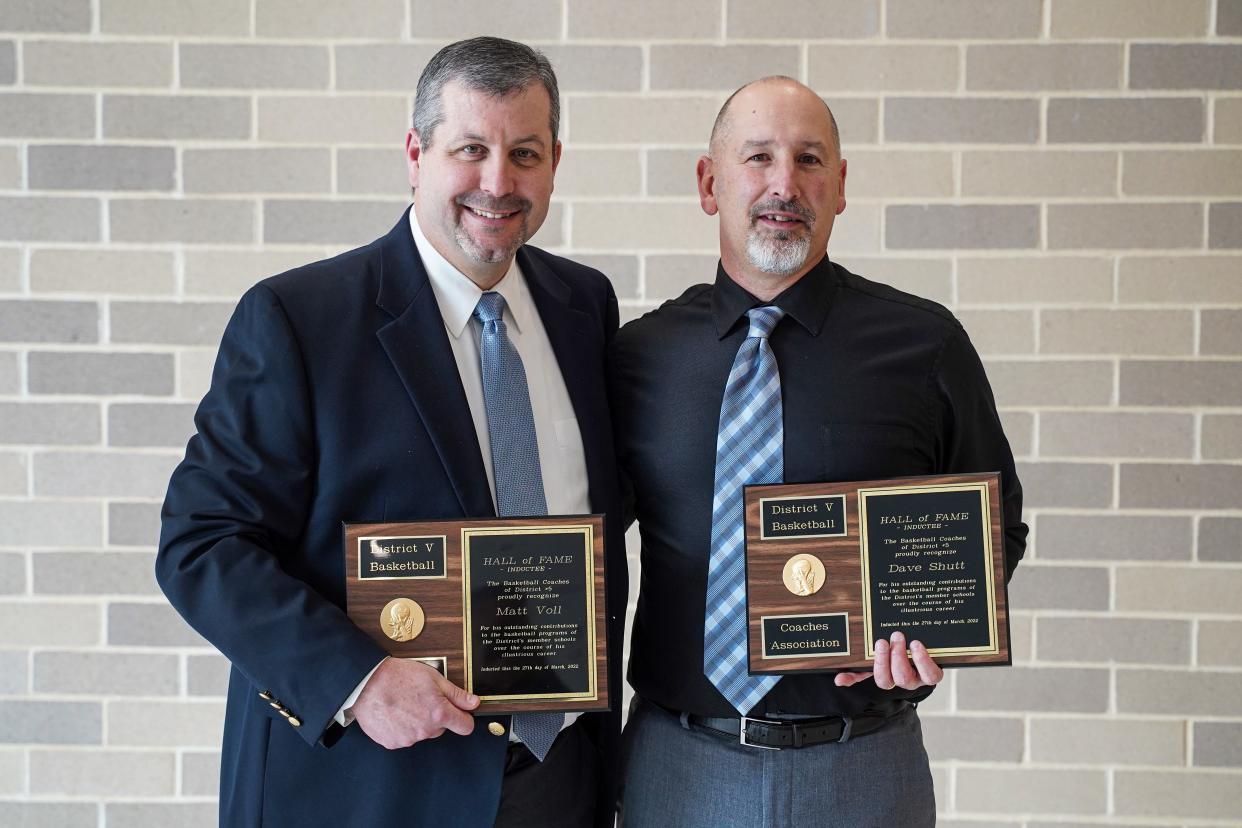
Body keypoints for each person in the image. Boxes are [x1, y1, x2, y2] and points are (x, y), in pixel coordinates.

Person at [157, 37, 626, 828]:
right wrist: (360, 679)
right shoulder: (300, 320)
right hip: (371, 788)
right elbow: (203, 544)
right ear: (415, 153)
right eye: (470, 149)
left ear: (555, 161)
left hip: (559, 781)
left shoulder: (586, 309)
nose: (498, 182)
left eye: (525, 153)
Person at [610, 76, 1027, 827]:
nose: (783, 183)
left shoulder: (924, 346)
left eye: (808, 160)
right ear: (709, 184)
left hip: (865, 766)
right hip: (680, 769)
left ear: (840, 187)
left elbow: (995, 529)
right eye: (758, 157)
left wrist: (932, 627)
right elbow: (590, 540)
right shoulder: (638, 358)